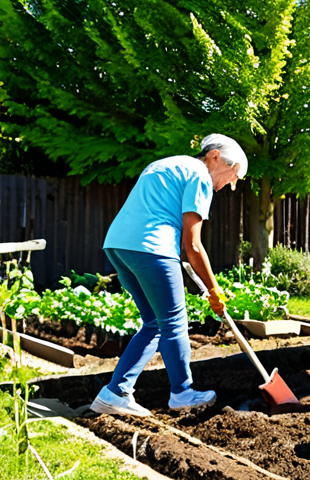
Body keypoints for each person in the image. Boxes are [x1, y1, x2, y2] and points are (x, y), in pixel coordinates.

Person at [90, 134, 248, 416]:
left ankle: (115, 393)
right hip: (152, 247)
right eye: (230, 175)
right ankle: (182, 392)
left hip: (118, 245)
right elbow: (194, 245)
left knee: (154, 322)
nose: (227, 185)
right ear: (214, 156)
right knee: (174, 320)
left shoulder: (168, 164)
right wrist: (215, 290)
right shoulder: (200, 176)